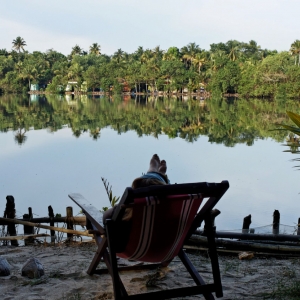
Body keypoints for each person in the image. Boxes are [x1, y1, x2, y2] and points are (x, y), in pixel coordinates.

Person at [102, 154, 170, 251]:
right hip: (163, 249)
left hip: (127, 248)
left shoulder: (126, 214)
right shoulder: (172, 214)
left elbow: (106, 216)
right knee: (161, 190)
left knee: (143, 184)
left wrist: (118, 208)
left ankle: (153, 173)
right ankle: (160, 176)